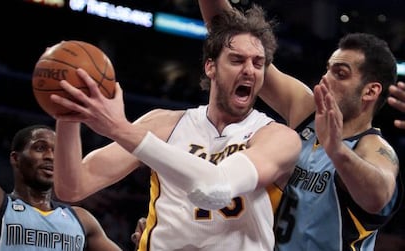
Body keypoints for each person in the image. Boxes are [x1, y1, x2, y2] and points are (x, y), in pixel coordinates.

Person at [51, 4, 301, 251]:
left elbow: (216, 188)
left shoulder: (278, 137)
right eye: (237, 60)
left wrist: (120, 129)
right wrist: (68, 112)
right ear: (210, 66)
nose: (249, 70)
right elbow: (72, 186)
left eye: (258, 63)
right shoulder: (164, 124)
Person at [198, 1, 403, 251]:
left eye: (340, 73)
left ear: (370, 91)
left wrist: (337, 150)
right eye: (327, 70)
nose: (325, 79)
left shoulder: (372, 147)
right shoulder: (306, 111)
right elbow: (229, 32)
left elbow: (378, 197)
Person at [0, 125, 122, 251]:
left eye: (57, 151)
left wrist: (142, 242)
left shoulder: (82, 219)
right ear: (15, 158)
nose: (51, 156)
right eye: (40, 148)